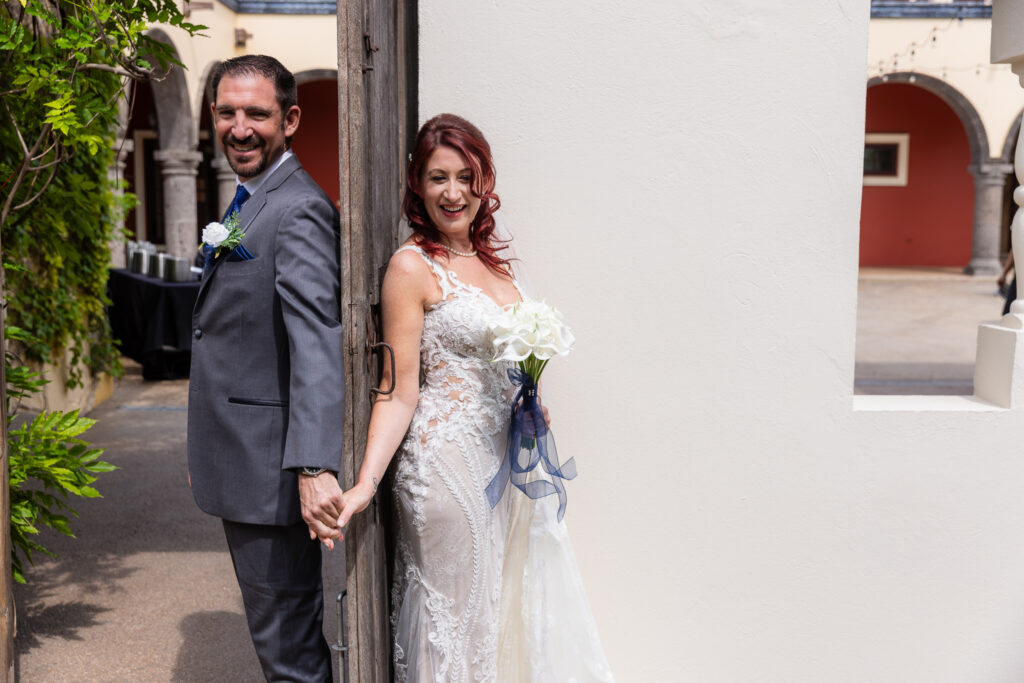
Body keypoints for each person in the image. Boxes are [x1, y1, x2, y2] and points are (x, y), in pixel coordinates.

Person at [336, 114, 613, 682]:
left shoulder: (496, 267)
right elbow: (398, 391)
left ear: (484, 180)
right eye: (438, 177)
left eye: (466, 176)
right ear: (417, 183)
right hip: (443, 469)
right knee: (453, 621)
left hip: (499, 466)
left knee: (490, 614)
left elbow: (498, 371)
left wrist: (526, 405)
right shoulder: (411, 267)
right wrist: (366, 482)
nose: (453, 192)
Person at [187, 55, 344, 682]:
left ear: (291, 119)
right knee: (278, 640)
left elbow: (316, 341)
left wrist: (313, 465)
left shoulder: (297, 207)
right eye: (227, 112)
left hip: (273, 473)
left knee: (290, 651)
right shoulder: (249, 200)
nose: (240, 127)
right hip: (241, 458)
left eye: (257, 112)